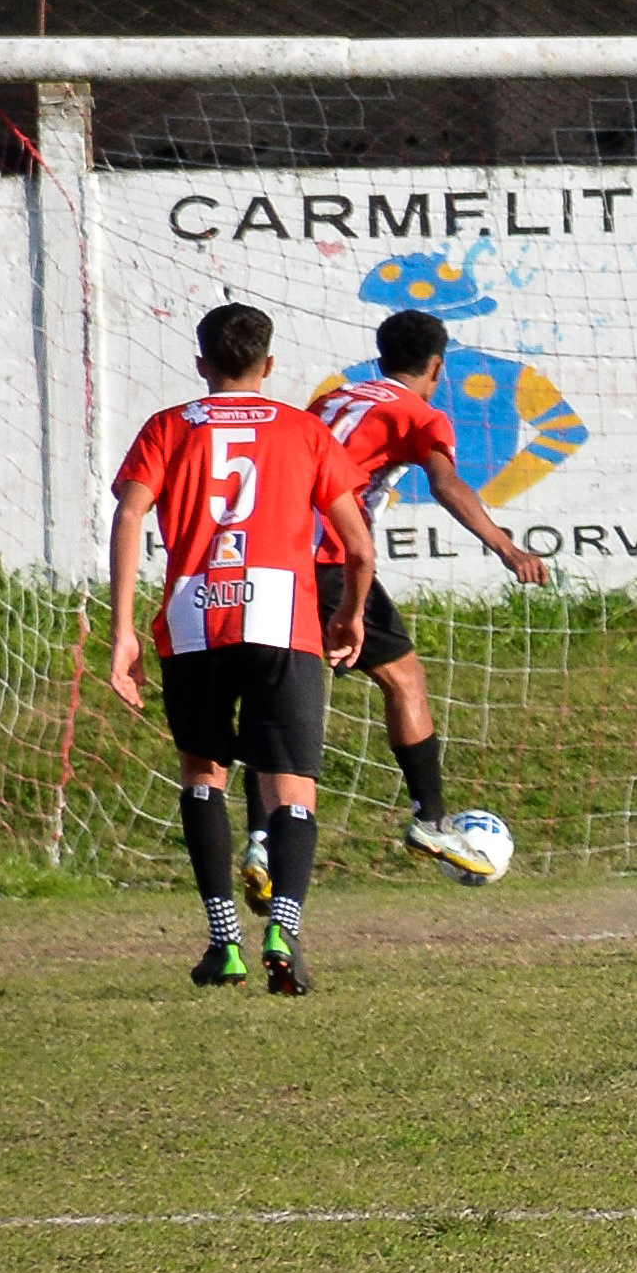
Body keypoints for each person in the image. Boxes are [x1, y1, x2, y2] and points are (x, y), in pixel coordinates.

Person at [103, 303, 373, 996]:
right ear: (270, 364)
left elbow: (129, 512)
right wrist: (349, 611)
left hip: (196, 615)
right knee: (291, 782)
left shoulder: (168, 426)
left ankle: (224, 941)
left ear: (201, 364)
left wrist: (124, 628)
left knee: (204, 774)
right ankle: (282, 926)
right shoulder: (305, 431)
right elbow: (359, 544)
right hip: (283, 616)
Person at [238, 310, 550, 903]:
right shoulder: (418, 412)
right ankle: (430, 818)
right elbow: (445, 482)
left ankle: (259, 841)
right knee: (404, 679)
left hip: (266, 555)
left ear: (380, 357)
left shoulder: (331, 401)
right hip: (327, 558)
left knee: (276, 696)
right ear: (437, 367)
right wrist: (507, 547)